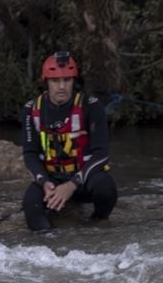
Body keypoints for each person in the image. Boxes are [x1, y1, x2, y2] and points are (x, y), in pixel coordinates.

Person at [21, 51, 118, 231]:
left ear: (74, 81)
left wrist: (72, 184)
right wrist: (45, 183)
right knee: (30, 203)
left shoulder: (92, 106)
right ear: (46, 82)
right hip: (52, 181)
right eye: (55, 81)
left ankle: (95, 225)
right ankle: (52, 243)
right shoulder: (31, 109)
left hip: (84, 181)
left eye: (67, 80)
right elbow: (30, 154)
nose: (62, 87)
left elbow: (102, 154)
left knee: (106, 186)